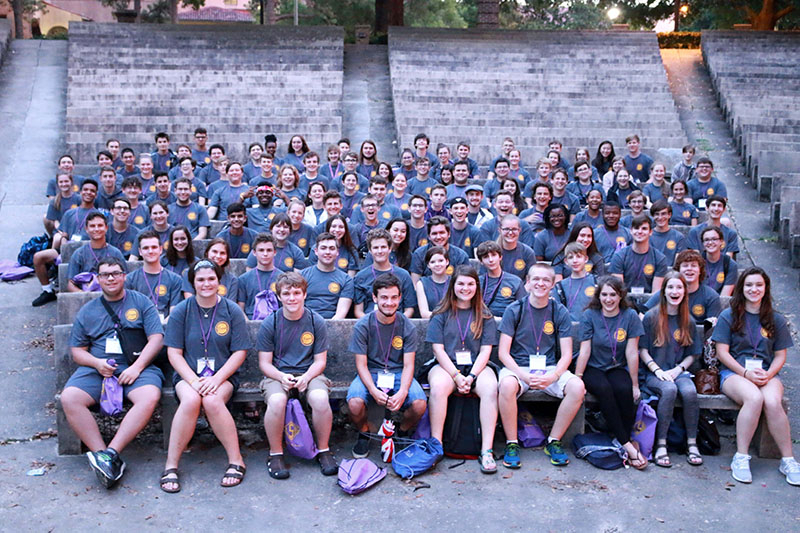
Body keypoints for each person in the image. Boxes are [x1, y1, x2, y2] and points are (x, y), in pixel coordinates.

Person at [61, 257, 164, 488]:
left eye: (116, 273)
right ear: (97, 279)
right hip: (99, 369)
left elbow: (156, 339)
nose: (110, 278)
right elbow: (77, 350)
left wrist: (137, 368)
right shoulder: (88, 311)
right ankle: (102, 455)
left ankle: (112, 453)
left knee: (149, 396)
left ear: (124, 276)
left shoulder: (141, 302)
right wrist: (97, 364)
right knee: (70, 398)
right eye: (105, 274)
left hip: (137, 366)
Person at [160, 260, 250, 493]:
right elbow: (174, 353)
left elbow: (239, 352)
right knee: (191, 399)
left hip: (223, 377)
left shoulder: (232, 310)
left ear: (219, 281)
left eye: (211, 278)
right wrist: (193, 381)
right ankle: (171, 465)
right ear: (193, 283)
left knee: (211, 400)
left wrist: (216, 379)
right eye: (200, 279)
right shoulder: (181, 310)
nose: (206, 283)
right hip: (188, 376)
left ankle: (236, 460)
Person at [712, 267, 800, 486]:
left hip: (766, 373)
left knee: (772, 401)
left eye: (759, 285)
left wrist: (769, 374)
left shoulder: (775, 319)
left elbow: (780, 354)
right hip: (735, 373)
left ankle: (788, 460)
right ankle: (741, 457)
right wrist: (745, 373)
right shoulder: (729, 315)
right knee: (754, 398)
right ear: (742, 288)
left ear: (765, 288)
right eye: (749, 285)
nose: (754, 289)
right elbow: (722, 352)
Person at [497, 263, 586, 468]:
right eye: (536, 279)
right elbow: (503, 353)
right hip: (519, 368)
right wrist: (524, 376)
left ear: (553, 284)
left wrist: (553, 377)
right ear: (527, 282)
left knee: (577, 387)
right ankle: (512, 443)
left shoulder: (559, 311)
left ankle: (553, 441)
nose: (540, 283)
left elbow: (566, 355)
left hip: (549, 368)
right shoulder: (515, 309)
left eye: (546, 280)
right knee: (507, 386)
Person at [257, 272, 338, 479]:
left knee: (320, 399)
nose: (292, 298)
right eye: (286, 293)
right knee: (276, 401)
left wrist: (307, 377)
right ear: (279, 297)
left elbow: (320, 361)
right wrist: (282, 377)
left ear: (304, 295)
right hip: (277, 374)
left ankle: (324, 449)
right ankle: (276, 453)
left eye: (296, 293)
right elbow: (264, 363)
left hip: (309, 372)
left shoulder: (315, 321)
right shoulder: (271, 322)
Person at [426, 265, 499, 473]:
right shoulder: (441, 313)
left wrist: (473, 375)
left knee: (490, 388)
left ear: (477, 286)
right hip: (446, 365)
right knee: (439, 387)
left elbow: (486, 351)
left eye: (470, 284)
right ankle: (436, 445)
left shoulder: (485, 315)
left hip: (477, 365)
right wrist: (457, 376)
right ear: (453, 285)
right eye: (461, 283)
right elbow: (438, 349)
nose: (465, 288)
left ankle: (486, 450)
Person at [348, 273, 428, 458]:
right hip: (371, 372)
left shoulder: (406, 325)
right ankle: (364, 432)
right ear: (375, 298)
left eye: (394, 297)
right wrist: (373, 391)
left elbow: (409, 365)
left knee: (419, 404)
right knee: (354, 403)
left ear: (400, 298)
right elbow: (361, 364)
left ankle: (400, 430)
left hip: (399, 372)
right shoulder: (364, 325)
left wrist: (403, 392)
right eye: (384, 297)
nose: (389, 302)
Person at [576, 275, 647, 469]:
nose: (608, 299)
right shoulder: (590, 315)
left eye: (613, 295)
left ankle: (620, 437)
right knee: (604, 389)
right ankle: (628, 445)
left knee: (624, 390)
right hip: (593, 367)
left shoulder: (630, 316)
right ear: (598, 296)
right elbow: (585, 350)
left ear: (620, 296)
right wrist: (578, 378)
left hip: (616, 366)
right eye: (604, 294)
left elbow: (632, 352)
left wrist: (635, 385)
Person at [639, 271, 703, 468]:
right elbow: (642, 350)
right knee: (669, 390)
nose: (675, 291)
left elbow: (693, 353)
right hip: (653, 373)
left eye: (679, 287)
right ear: (663, 291)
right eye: (670, 287)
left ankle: (691, 443)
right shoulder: (651, 317)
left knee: (690, 391)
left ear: (684, 291)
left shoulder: (688, 320)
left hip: (678, 370)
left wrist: (678, 369)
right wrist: (657, 370)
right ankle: (661, 444)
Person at [644, 249, 722, 324]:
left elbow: (713, 328)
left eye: (693, 265)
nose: (689, 269)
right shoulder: (667, 293)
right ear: (678, 270)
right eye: (685, 266)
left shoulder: (711, 296)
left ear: (700, 270)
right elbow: (643, 313)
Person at [353, 229, 417, 317]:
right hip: (370, 323)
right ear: (370, 251)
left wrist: (399, 322)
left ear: (389, 249)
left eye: (383, 247)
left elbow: (409, 309)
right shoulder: (360, 277)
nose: (380, 251)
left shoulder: (404, 275)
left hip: (397, 323)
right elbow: (358, 311)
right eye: (375, 248)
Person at [125, 231, 184, 320]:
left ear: (160, 249)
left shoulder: (175, 279)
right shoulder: (129, 279)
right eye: (146, 248)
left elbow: (174, 312)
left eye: (154, 247)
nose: (150, 251)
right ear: (140, 252)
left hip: (165, 327)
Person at [67, 211, 127, 293]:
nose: (96, 229)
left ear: (106, 228)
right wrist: (85, 295)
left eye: (100, 225)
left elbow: (125, 279)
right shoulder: (79, 254)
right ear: (86, 229)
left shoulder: (116, 253)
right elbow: (71, 284)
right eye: (92, 226)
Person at [300, 233, 354, 319]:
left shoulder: (346, 280)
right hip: (307, 323)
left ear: (337, 252)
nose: (327, 252)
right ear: (316, 251)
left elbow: (341, 313)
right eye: (323, 248)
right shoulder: (302, 276)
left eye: (332, 248)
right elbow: (298, 307)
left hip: (333, 325)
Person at [610, 214, 668, 295]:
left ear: (650, 232)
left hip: (649, 305)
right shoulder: (619, 256)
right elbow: (618, 291)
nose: (640, 231)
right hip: (624, 303)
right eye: (636, 228)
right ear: (631, 231)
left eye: (644, 229)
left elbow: (656, 294)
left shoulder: (659, 258)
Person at [409, 216, 470, 283]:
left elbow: (465, 282)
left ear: (449, 234)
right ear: (429, 236)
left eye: (442, 233)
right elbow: (415, 283)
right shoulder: (419, 254)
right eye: (434, 233)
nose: (438, 237)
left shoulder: (460, 256)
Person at [477, 241, 525, 317]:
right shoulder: (477, 282)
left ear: (500, 257)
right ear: (481, 261)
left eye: (493, 255)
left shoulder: (515, 281)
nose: (491, 260)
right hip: (482, 321)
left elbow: (522, 308)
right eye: (486, 257)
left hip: (506, 322)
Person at [237, 233, 280, 319]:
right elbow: (240, 308)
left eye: (269, 250)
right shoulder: (243, 279)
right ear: (254, 252)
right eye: (261, 250)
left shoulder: (283, 278)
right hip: (251, 320)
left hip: (275, 321)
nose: (265, 254)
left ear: (274, 252)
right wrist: (250, 325)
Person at [552, 243, 597, 322]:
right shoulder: (560, 286)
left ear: (586, 259)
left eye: (579, 256)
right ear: (566, 261)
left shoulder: (596, 282)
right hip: (569, 328)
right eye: (571, 257)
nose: (575, 261)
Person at [700, 226, 738, 297]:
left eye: (714, 239)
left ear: (721, 242)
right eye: (706, 240)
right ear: (703, 244)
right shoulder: (696, 262)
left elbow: (724, 296)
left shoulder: (730, 264)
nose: (710, 242)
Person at [496, 215, 537, 279]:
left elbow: (531, 279)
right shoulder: (492, 252)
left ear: (519, 230)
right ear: (499, 230)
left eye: (514, 229)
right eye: (506, 229)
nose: (510, 232)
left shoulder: (527, 252)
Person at [415, 246, 450, 318]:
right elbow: (424, 313)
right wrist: (444, 318)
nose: (437, 264)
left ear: (447, 262)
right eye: (433, 262)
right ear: (428, 265)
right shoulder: (421, 283)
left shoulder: (455, 281)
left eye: (441, 261)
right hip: (430, 324)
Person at [650, 200, 687, 267]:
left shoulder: (678, 237)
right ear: (653, 216)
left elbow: (678, 263)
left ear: (669, 215)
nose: (660, 217)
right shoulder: (647, 236)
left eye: (663, 214)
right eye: (657, 214)